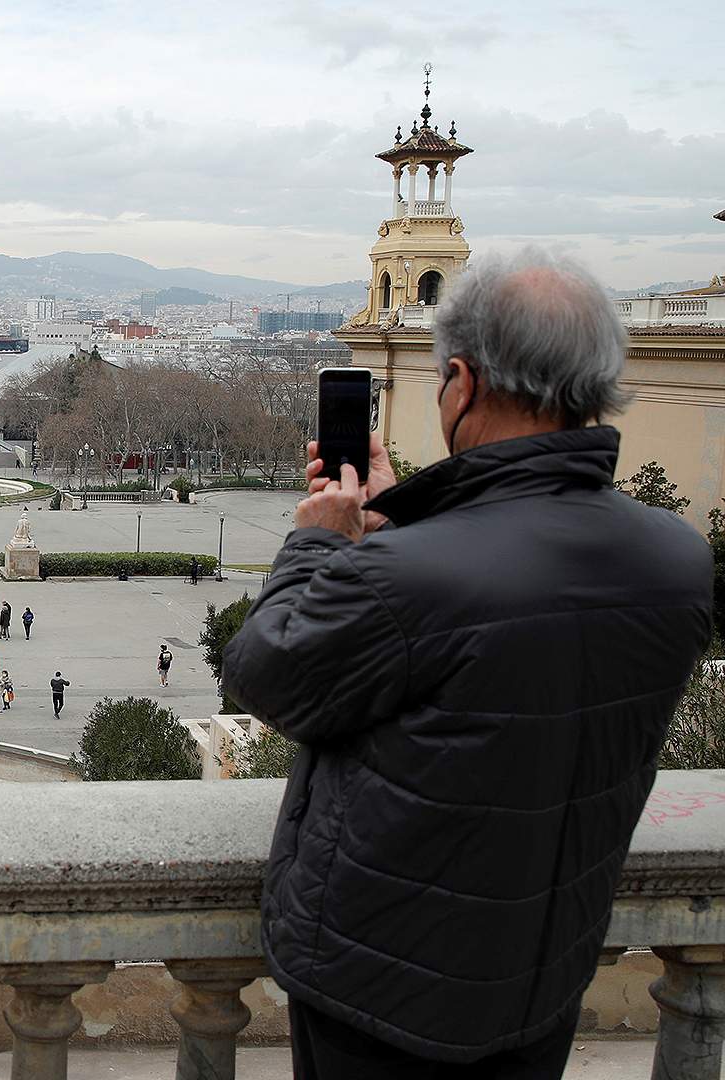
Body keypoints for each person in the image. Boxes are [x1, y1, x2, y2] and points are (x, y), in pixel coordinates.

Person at [223, 250, 713, 1079]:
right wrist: (399, 524)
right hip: (543, 979)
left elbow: (264, 672)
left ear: (462, 380)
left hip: (381, 996)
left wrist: (318, 543)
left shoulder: (411, 579)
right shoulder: (676, 558)